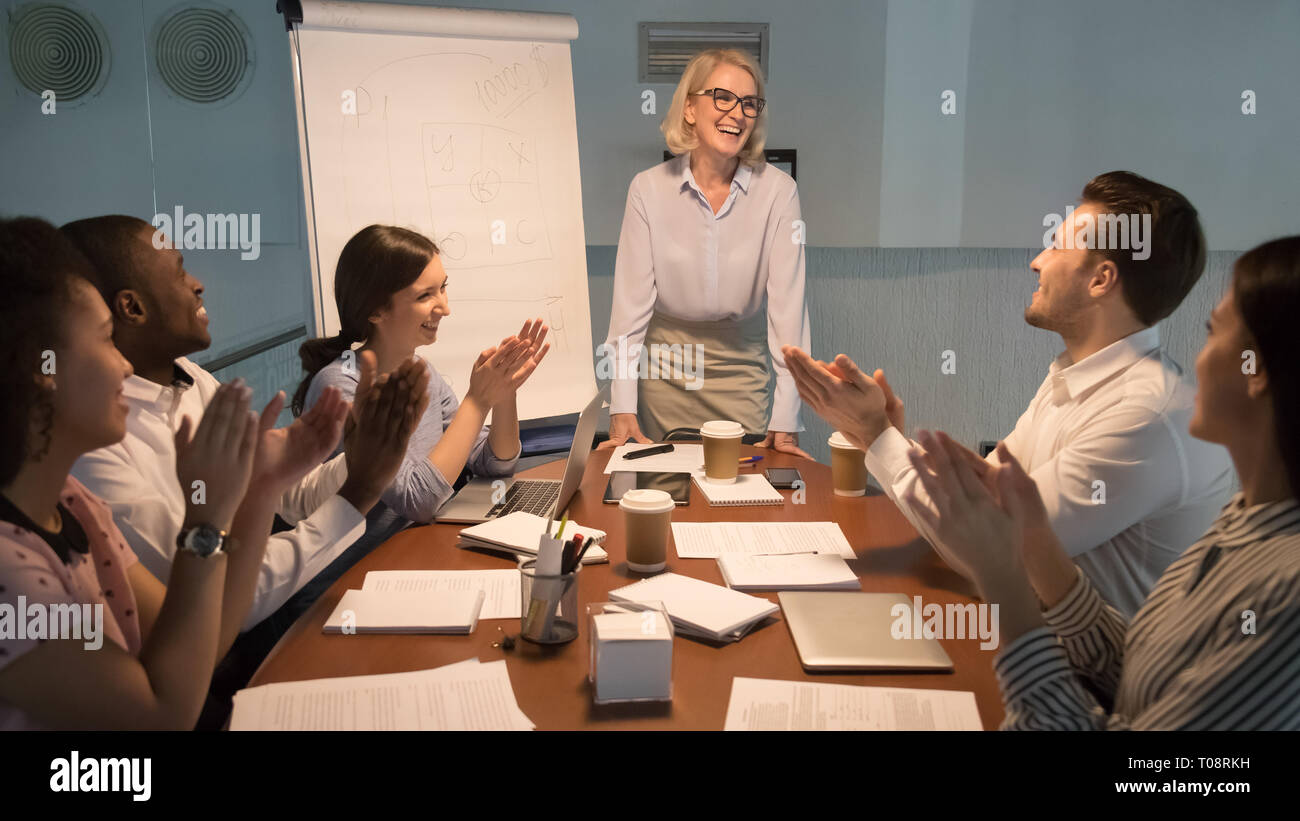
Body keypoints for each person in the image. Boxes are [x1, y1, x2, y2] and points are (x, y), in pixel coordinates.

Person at [0, 216, 423, 729]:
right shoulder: (14, 564)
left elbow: (207, 631)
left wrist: (267, 485)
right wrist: (208, 517)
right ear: (41, 369)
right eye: (106, 340)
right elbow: (166, 712)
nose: (123, 367)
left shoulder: (73, 504)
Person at [785, 171, 1234, 616]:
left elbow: (994, 554)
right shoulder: (1076, 375)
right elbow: (983, 503)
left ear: (1101, 280)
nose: (1037, 261)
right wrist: (883, 436)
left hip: (1089, 681)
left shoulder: (1143, 416)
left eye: (1057, 246)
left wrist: (876, 435)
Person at [901, 235, 1300, 729]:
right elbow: (1131, 672)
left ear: (1255, 369)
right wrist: (1038, 546)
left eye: (1213, 332)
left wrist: (1002, 576)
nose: (1198, 358)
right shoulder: (1242, 524)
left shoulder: (1286, 592)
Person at [62, 215, 406, 633]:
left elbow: (291, 497)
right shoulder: (93, 449)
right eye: (179, 271)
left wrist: (365, 456)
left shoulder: (188, 379)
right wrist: (359, 490)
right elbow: (222, 605)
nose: (197, 283)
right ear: (131, 308)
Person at [601, 48, 812, 456]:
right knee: (667, 499)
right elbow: (628, 314)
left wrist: (787, 418)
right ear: (690, 109)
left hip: (742, 377)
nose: (737, 112)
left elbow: (790, 317)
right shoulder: (647, 190)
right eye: (722, 97)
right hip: (665, 377)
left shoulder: (779, 193)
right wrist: (622, 404)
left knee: (742, 502)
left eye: (749, 103)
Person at [295, 224, 549, 547]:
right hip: (354, 574)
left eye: (442, 288)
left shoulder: (421, 371)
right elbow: (417, 500)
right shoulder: (341, 386)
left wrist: (504, 391)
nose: (444, 307)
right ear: (375, 310)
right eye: (425, 296)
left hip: (416, 548)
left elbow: (495, 462)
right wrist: (477, 401)